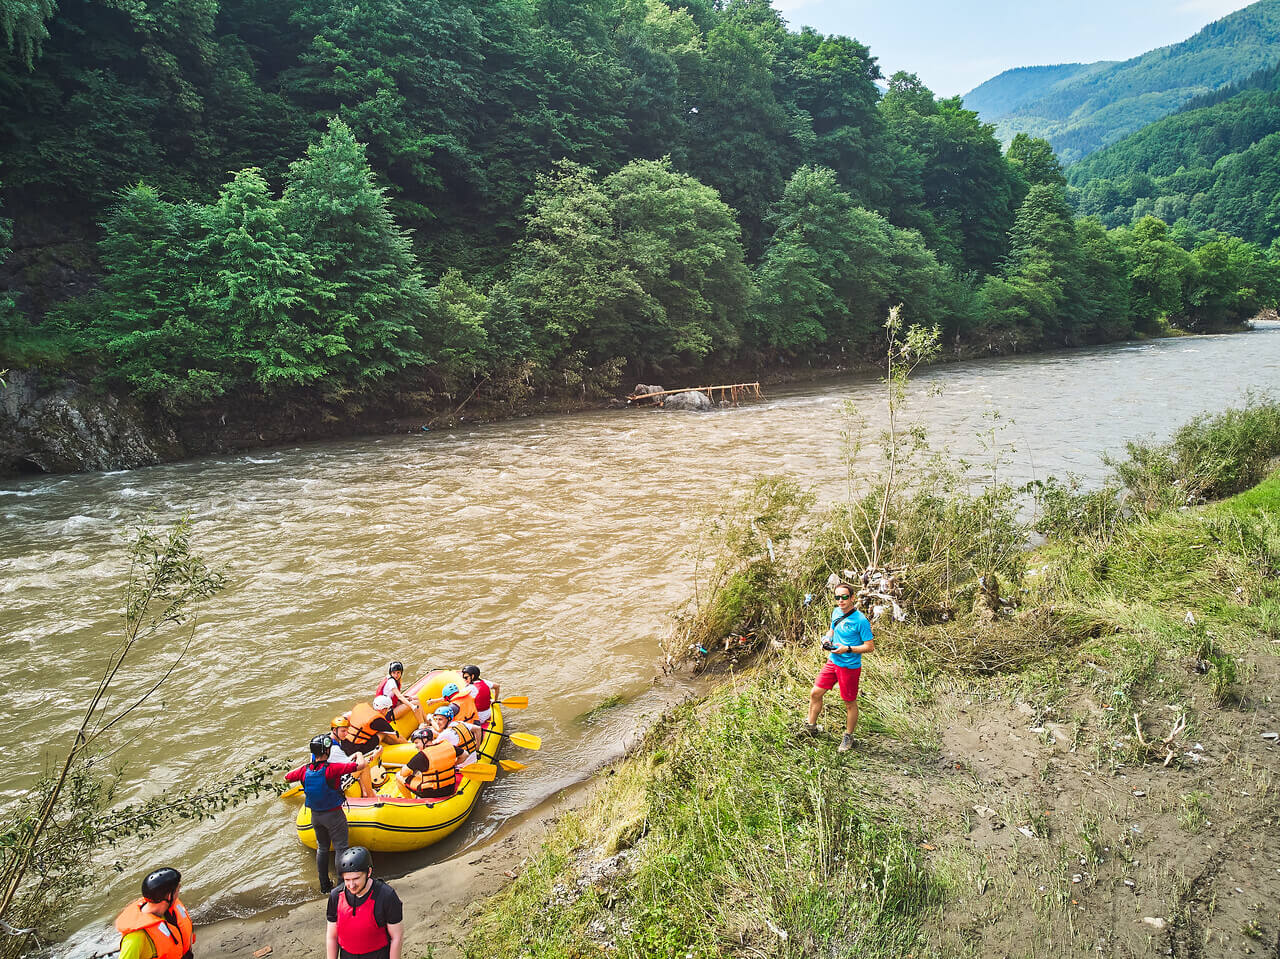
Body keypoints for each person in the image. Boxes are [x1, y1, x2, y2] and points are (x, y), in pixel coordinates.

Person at [284, 735, 370, 892]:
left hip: (315, 816)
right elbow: (361, 765)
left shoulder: (304, 770)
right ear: (327, 750)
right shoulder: (332, 769)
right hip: (334, 815)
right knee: (340, 848)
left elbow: (287, 778)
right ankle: (340, 885)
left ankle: (324, 885)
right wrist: (358, 753)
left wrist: (303, 767)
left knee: (322, 848)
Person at [805, 582, 875, 753]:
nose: (841, 600)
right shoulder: (836, 612)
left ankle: (848, 737)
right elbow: (831, 630)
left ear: (852, 598)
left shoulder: (860, 621)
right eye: (837, 597)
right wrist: (826, 639)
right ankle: (810, 727)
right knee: (815, 693)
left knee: (849, 702)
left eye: (844, 597)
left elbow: (870, 647)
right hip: (833, 661)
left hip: (849, 666)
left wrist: (848, 649)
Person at [326, 847, 403, 959]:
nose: (351, 885)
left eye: (356, 878)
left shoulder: (387, 896)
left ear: (369, 872)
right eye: (347, 880)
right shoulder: (336, 896)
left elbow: (397, 936)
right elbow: (332, 937)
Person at [115, 867, 195, 959]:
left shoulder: (169, 910)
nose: (178, 893)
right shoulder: (135, 938)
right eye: (178, 889)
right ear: (169, 896)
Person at [395, 725, 462, 799]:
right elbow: (465, 754)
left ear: (424, 740)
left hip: (430, 792)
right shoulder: (448, 747)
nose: (416, 746)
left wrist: (410, 771)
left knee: (398, 775)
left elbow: (403, 773)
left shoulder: (421, 756)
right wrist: (453, 764)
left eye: (417, 742)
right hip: (450, 788)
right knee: (421, 774)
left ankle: (409, 800)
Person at [330, 716, 382, 798]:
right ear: (334, 730)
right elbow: (354, 767)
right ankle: (371, 795)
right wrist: (374, 756)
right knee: (363, 766)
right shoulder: (334, 749)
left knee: (358, 759)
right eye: (343, 731)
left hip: (329, 775)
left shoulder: (328, 740)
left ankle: (364, 792)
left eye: (347, 731)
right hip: (334, 785)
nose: (346, 734)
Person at [344, 701, 409, 751]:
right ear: (384, 709)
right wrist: (410, 746)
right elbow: (397, 737)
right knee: (383, 733)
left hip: (345, 743)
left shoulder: (361, 708)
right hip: (358, 749)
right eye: (388, 709)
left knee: (379, 732)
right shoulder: (378, 720)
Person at [375, 661, 425, 725]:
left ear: (401, 672)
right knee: (415, 703)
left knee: (415, 698)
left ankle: (426, 720)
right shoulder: (391, 682)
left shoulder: (390, 679)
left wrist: (408, 698)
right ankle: (422, 724)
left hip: (390, 707)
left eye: (398, 672)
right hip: (388, 713)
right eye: (394, 673)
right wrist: (412, 706)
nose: (396, 675)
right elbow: (399, 696)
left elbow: (394, 695)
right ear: (391, 673)